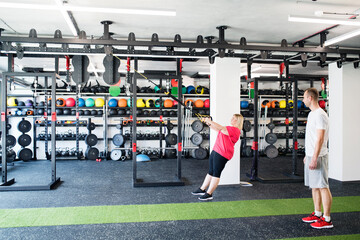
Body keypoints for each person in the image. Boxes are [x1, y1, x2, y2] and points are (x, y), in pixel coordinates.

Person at [191, 114, 243, 201]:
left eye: (234, 118)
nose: (231, 119)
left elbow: (221, 128)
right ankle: (202, 189)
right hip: (216, 151)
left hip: (223, 153)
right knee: (211, 171)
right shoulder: (229, 128)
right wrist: (208, 123)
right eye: (232, 117)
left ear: (237, 121)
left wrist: (209, 121)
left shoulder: (235, 130)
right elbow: (217, 129)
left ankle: (209, 193)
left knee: (216, 172)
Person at [301, 88, 332, 229]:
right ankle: (318, 213)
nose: (302, 100)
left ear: (310, 98)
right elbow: (312, 138)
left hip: (319, 156)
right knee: (314, 186)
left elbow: (320, 139)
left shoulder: (320, 115)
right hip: (311, 155)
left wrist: (314, 157)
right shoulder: (311, 114)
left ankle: (327, 219)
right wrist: (307, 156)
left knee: (323, 186)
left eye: (304, 97)